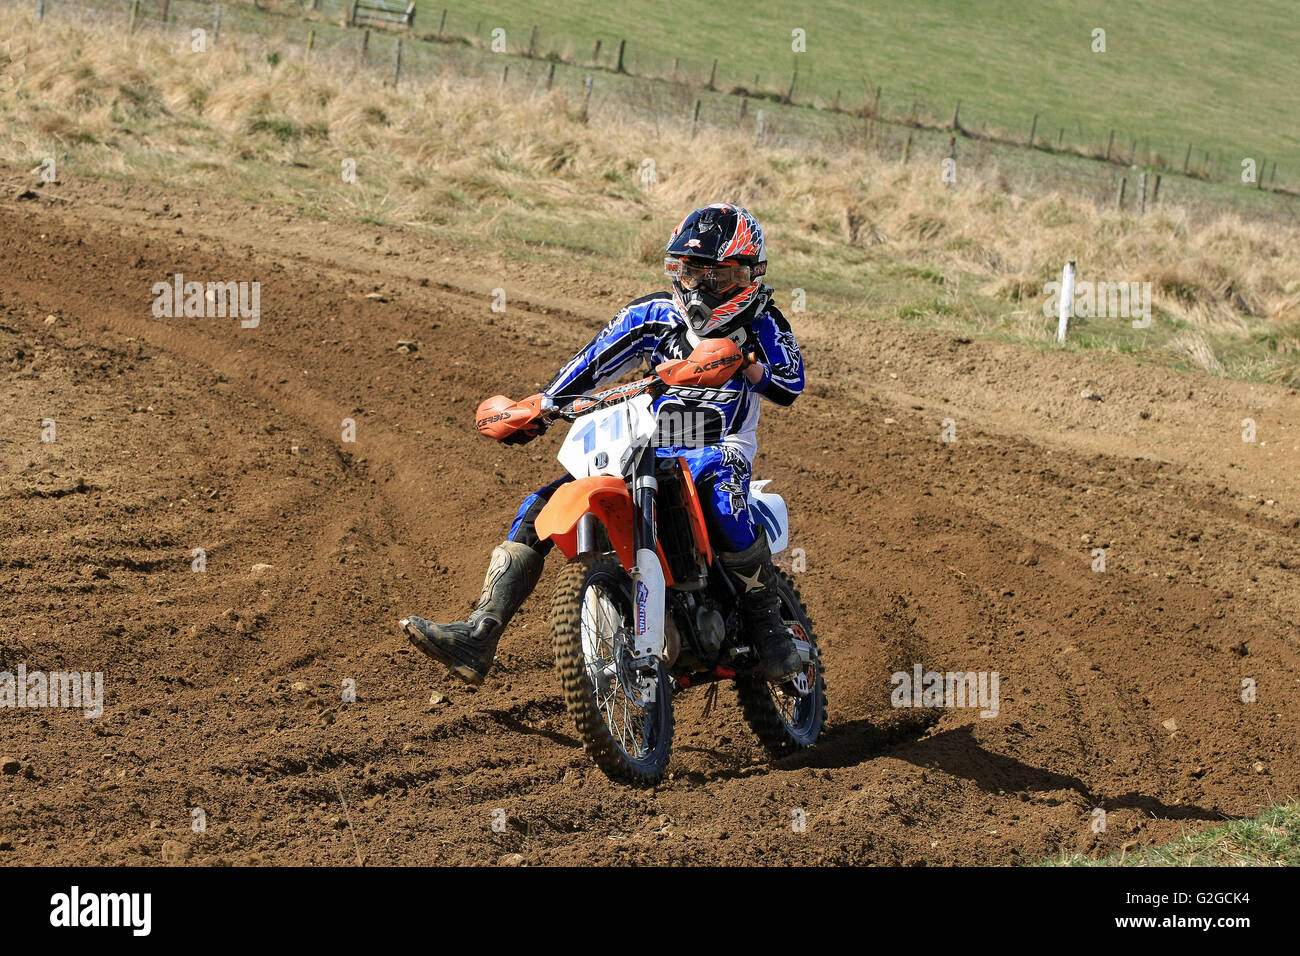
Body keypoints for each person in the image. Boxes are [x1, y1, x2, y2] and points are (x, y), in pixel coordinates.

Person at [402, 202, 805, 686]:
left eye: (713, 276)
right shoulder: (654, 313)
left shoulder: (763, 320)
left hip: (719, 443)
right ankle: (480, 631)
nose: (697, 285)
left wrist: (744, 363)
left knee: (722, 500)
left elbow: (790, 384)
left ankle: (769, 628)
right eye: (689, 270)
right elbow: (595, 362)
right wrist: (541, 407)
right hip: (653, 441)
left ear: (745, 275)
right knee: (540, 505)